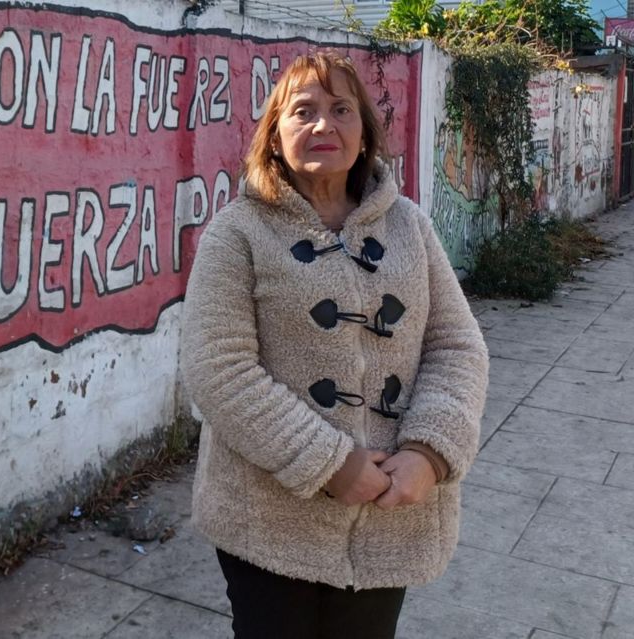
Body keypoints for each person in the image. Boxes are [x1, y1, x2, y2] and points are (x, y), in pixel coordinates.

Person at [180, 51, 489, 639]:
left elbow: (456, 347)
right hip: (268, 521)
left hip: (390, 512)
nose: (324, 125)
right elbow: (218, 369)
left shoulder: (410, 227)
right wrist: (328, 462)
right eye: (304, 111)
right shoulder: (237, 233)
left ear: (365, 131)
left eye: (341, 109)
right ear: (274, 137)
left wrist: (430, 452)